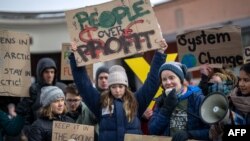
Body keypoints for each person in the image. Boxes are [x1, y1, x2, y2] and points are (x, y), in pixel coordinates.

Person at [69, 40, 167, 141]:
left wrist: (160, 53)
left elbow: (152, 82)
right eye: (113, 87)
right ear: (109, 87)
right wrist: (74, 56)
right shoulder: (101, 102)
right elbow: (83, 84)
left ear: (126, 86)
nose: (117, 90)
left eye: (121, 86)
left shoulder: (136, 100)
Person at [148, 62, 210, 141]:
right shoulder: (161, 101)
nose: (168, 82)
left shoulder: (197, 99)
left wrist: (190, 134)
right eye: (164, 79)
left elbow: (211, 132)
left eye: (171, 78)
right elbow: (153, 131)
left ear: (180, 79)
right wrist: (166, 109)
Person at [16, 57, 67, 135]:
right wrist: (29, 132)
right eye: (46, 72)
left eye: (52, 72)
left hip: (60, 133)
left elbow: (68, 111)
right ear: (40, 73)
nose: (49, 75)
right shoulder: (32, 90)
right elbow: (25, 116)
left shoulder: (62, 88)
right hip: (38, 133)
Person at [209, 63, 250, 140]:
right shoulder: (230, 101)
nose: (241, 84)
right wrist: (218, 126)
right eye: (240, 79)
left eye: (246, 80)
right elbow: (212, 135)